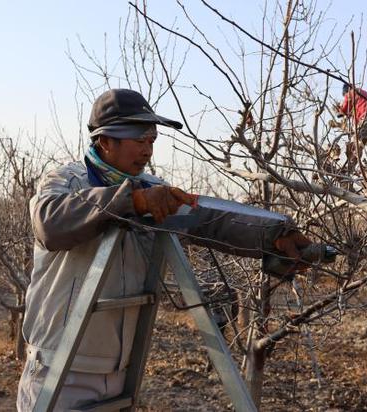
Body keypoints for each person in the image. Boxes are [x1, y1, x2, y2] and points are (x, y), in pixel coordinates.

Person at [17, 88, 311, 410]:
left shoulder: (152, 188)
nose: (148, 151)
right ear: (105, 141)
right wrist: (132, 201)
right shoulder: (67, 182)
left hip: (120, 368)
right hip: (59, 365)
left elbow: (207, 221)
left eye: (152, 141)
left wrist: (272, 235)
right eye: (139, 141)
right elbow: (49, 224)